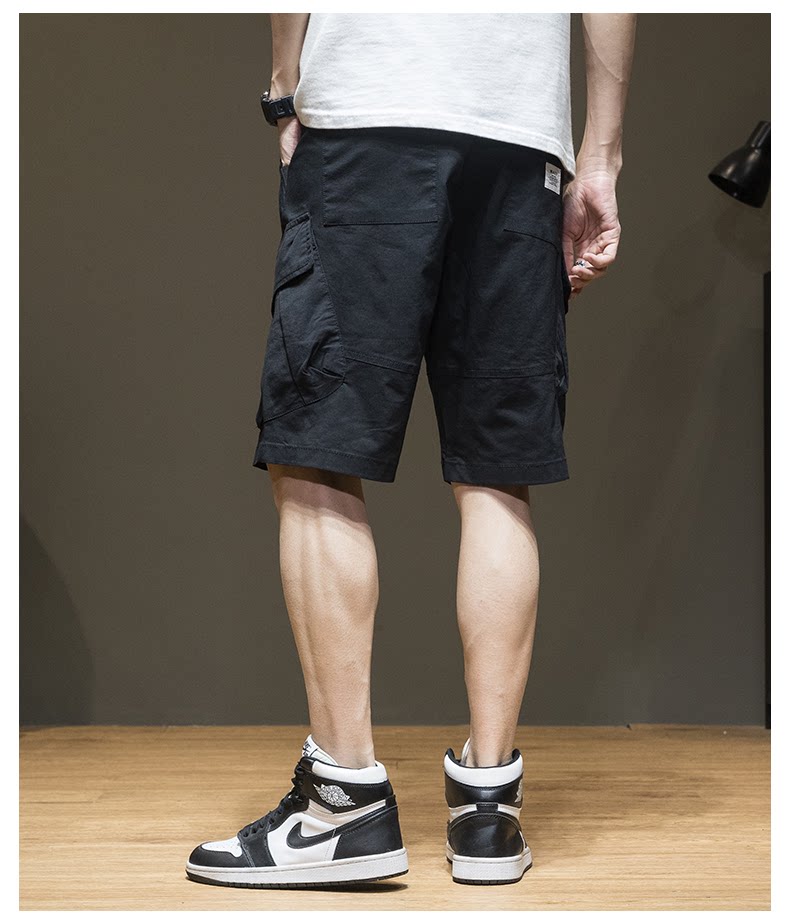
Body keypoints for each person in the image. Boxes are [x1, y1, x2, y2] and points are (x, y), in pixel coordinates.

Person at [186, 12, 636, 889]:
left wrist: (284, 87)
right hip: (522, 139)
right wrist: (601, 157)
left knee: (317, 455)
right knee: (498, 474)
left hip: (370, 111)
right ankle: (488, 812)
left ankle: (344, 806)